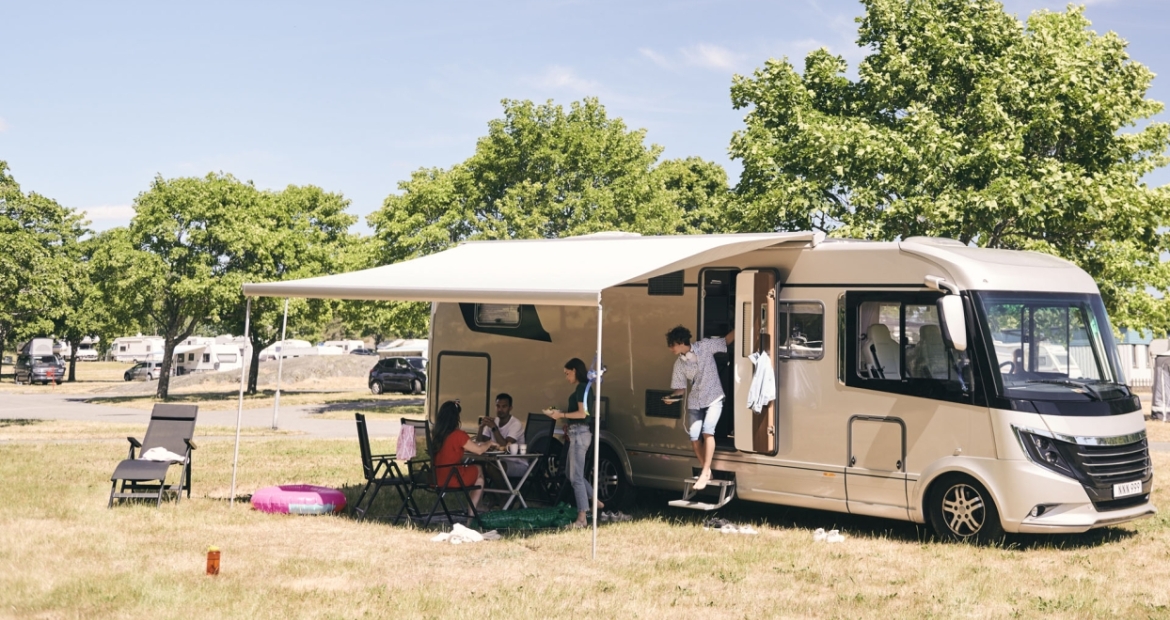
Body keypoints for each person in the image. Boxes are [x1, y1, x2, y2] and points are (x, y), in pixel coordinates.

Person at [663, 325, 734, 490]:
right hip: (695, 400)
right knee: (694, 438)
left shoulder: (705, 346)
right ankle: (707, 471)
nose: (670, 348)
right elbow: (680, 389)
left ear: (681, 342)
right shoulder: (679, 364)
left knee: (708, 431)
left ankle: (704, 474)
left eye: (672, 344)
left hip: (714, 397)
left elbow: (726, 341)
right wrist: (672, 397)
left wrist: (742, 322)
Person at [544, 357, 602, 528]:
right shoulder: (584, 388)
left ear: (575, 371)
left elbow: (582, 414)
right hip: (577, 432)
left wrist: (561, 415)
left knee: (576, 478)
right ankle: (595, 501)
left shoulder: (582, 388)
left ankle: (582, 518)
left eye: (567, 373)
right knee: (572, 475)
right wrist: (562, 414)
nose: (566, 377)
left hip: (579, 433)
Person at [431, 400, 496, 510]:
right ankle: (473, 514)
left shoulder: (437, 434)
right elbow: (479, 450)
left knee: (478, 478)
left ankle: (477, 507)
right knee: (479, 470)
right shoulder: (458, 435)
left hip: (435, 478)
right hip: (452, 477)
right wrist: (489, 443)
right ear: (456, 418)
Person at [478, 393, 526, 479]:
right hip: (496, 460)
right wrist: (481, 428)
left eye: (504, 406)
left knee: (493, 468)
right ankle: (487, 492)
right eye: (498, 406)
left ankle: (505, 493)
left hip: (515, 462)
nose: (500, 409)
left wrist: (494, 428)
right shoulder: (493, 421)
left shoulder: (515, 424)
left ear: (510, 408)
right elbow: (480, 443)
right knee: (475, 465)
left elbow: (505, 446)